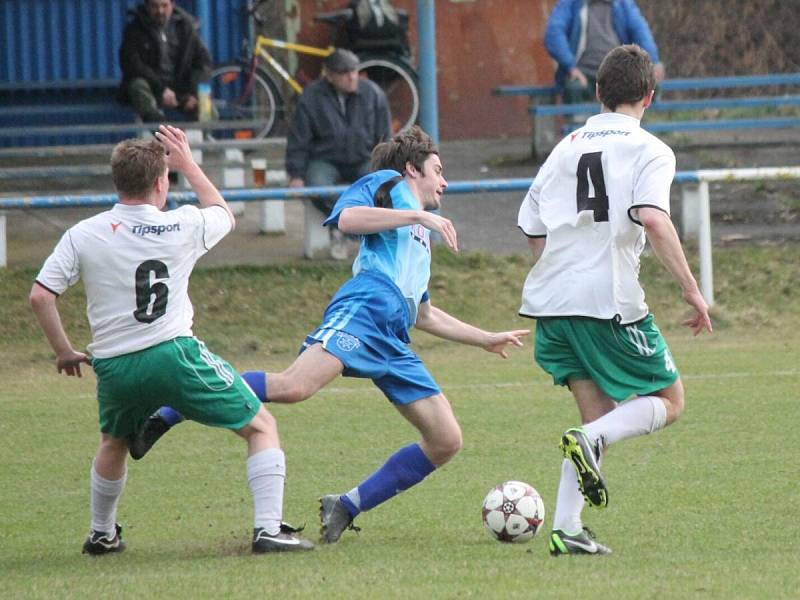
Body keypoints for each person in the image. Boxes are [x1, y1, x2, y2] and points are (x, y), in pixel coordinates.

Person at [132, 126, 530, 544]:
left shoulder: (420, 237)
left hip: (393, 333)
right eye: (438, 170)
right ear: (413, 169)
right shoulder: (389, 184)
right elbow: (346, 219)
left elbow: (425, 314)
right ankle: (170, 409)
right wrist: (417, 214)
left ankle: (346, 504)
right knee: (293, 387)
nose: (444, 182)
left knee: (446, 440)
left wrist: (485, 338)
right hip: (366, 306)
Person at [29, 125, 313, 555]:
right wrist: (190, 166)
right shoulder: (182, 224)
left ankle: (101, 534)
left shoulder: (84, 233)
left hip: (115, 366)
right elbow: (223, 211)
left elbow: (40, 296)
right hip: (173, 353)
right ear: (162, 182)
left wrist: (64, 351)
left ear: (117, 181)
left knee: (114, 442)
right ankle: (268, 529)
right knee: (261, 426)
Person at [517, 45, 712, 556]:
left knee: (597, 417)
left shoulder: (564, 147)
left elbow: (532, 226)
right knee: (670, 400)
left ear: (598, 91)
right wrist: (692, 290)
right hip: (607, 301)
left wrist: (560, 266)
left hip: (551, 305)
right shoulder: (650, 149)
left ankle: (567, 528)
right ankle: (586, 458)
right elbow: (652, 216)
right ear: (650, 96)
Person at [286, 48, 392, 260]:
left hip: (363, 158)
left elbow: (385, 136)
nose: (352, 76)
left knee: (382, 189)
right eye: (344, 72)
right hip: (325, 159)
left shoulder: (373, 94)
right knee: (316, 187)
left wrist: (388, 168)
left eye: (354, 70)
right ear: (330, 75)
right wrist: (296, 174)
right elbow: (299, 138)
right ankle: (356, 230)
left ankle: (343, 229)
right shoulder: (311, 97)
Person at [544, 0, 665, 105]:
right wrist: (571, 67)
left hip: (619, 71)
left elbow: (641, 32)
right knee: (574, 88)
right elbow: (554, 34)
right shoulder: (571, 3)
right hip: (582, 72)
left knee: (649, 85)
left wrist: (652, 61)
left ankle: (640, 128)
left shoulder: (623, 4)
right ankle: (577, 127)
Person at [119, 0, 212, 122]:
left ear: (172, 5)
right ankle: (162, 134)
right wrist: (161, 89)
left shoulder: (185, 26)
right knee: (137, 86)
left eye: (164, 5)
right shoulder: (135, 28)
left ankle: (205, 138)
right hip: (152, 88)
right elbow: (132, 65)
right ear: (147, 6)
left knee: (205, 97)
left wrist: (195, 92)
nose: (160, 11)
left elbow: (203, 62)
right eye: (155, 6)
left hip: (181, 88)